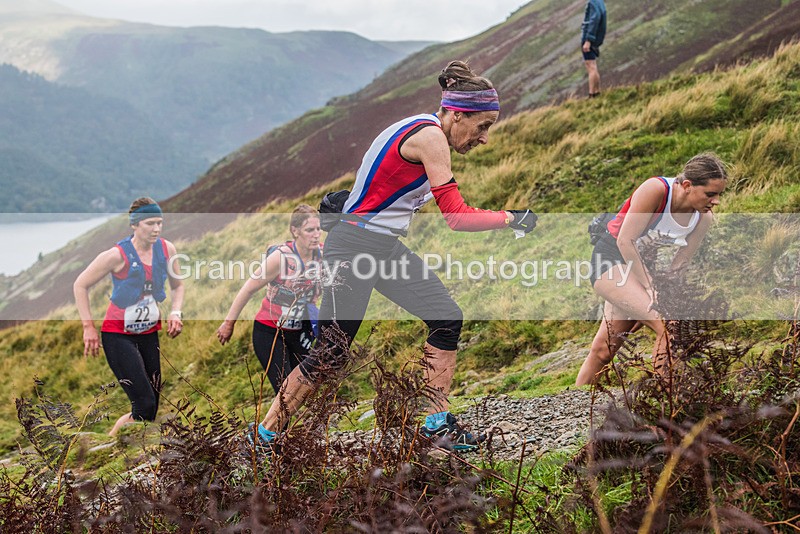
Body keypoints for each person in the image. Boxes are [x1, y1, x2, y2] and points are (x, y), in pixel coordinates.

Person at [249, 60, 537, 453]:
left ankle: (436, 425)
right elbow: (455, 217)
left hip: (378, 245)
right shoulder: (430, 136)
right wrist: (511, 218)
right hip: (355, 246)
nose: (484, 138)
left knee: (445, 317)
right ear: (456, 114)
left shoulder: (420, 127)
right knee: (331, 351)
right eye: (482, 125)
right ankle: (264, 436)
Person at [576, 153, 728, 386]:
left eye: (719, 194)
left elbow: (680, 266)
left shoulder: (703, 218)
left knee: (604, 350)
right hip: (611, 260)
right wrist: (650, 290)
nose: (716, 201)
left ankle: (577, 404)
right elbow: (625, 242)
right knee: (667, 326)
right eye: (710, 194)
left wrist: (657, 295)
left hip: (642, 270)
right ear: (687, 185)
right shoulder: (656, 190)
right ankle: (664, 401)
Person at [74, 198, 184, 436]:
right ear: (135, 224)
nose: (156, 229)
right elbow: (80, 284)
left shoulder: (167, 249)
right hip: (117, 335)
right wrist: (88, 327)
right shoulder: (116, 255)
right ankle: (107, 448)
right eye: (150, 223)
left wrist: (176, 312)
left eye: (160, 223)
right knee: (143, 403)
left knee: (150, 408)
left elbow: (178, 285)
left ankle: (111, 445)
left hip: (148, 334)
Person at [216, 205, 323, 395]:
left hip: (300, 331)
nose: (316, 235)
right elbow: (248, 289)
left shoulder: (323, 255)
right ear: (295, 231)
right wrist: (228, 323)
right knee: (286, 392)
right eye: (309, 230)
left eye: (318, 229)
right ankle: (275, 425)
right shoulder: (281, 258)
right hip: (270, 331)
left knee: (305, 386)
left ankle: (286, 424)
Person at [581, 0, 607, 98]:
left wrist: (588, 40)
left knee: (590, 66)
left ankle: (592, 94)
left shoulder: (592, 2)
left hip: (589, 38)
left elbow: (594, 21)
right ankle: (596, 91)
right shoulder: (600, 2)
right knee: (593, 65)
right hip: (595, 38)